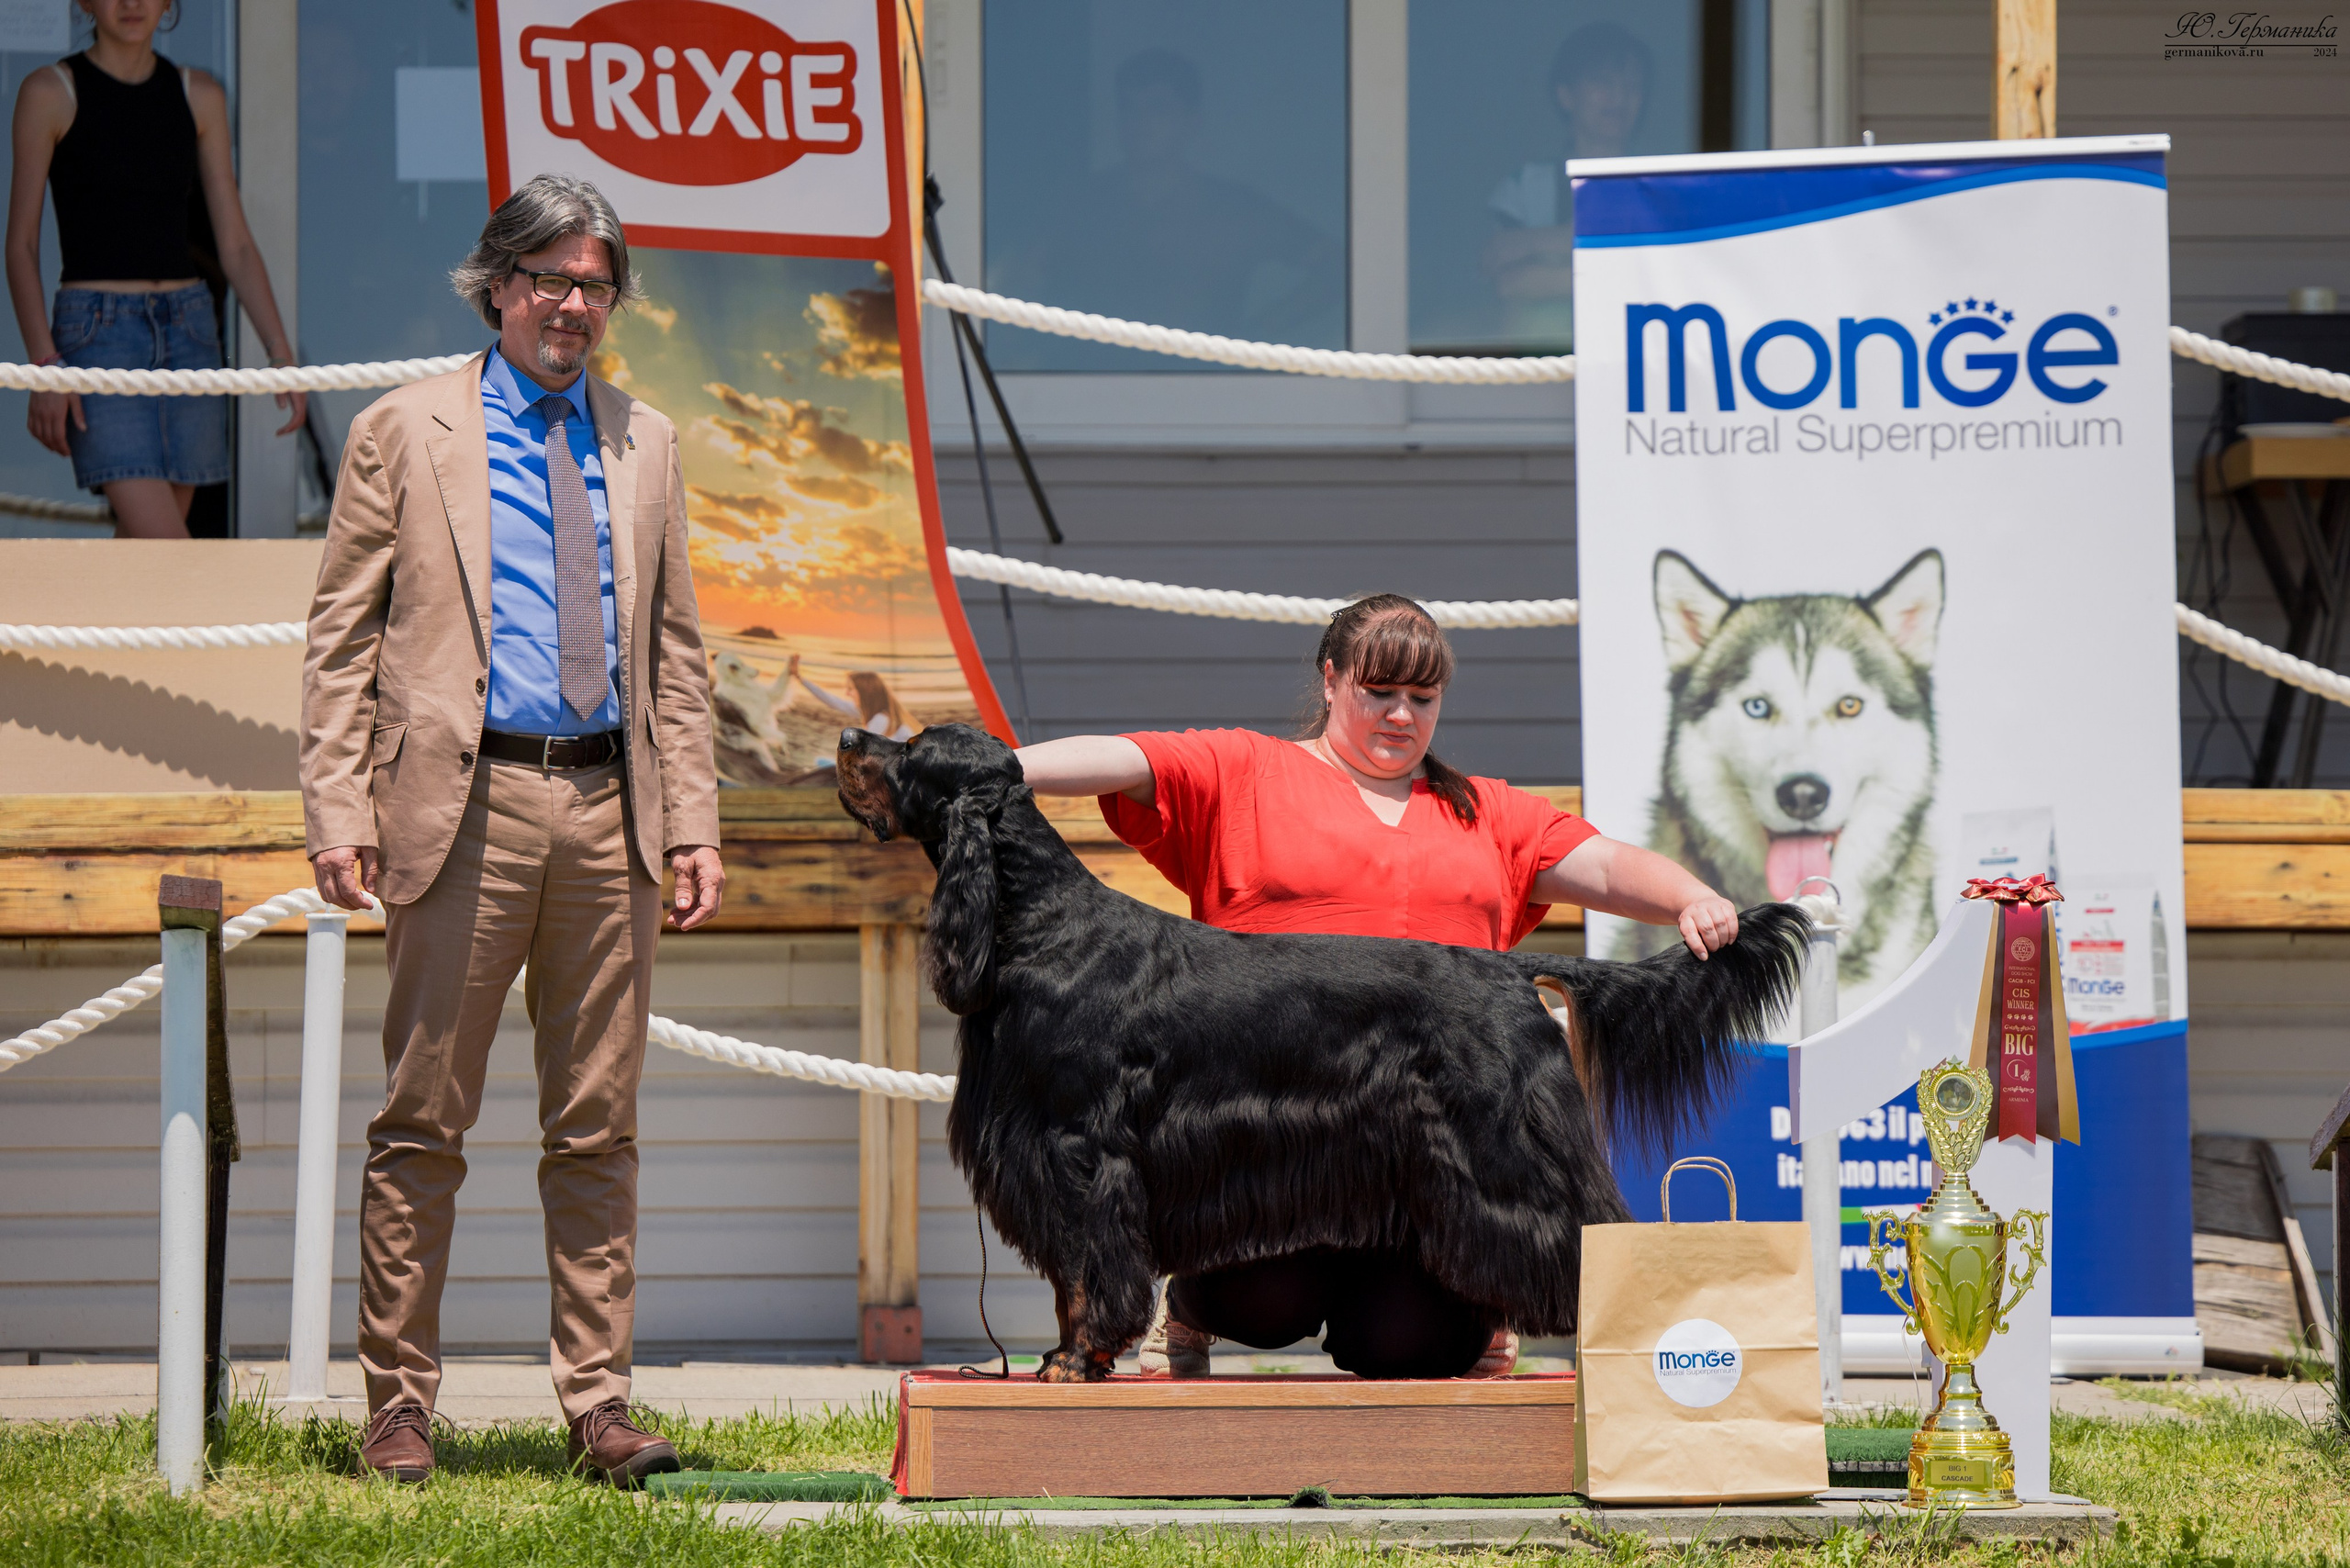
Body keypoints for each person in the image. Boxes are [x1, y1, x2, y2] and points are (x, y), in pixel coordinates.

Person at [1013, 594, 1739, 1380]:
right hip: (1266, 1139)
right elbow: (1127, 758)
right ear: (1331, 680)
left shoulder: (1485, 811)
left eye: (1422, 699)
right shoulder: (1245, 771)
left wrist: (1688, 897)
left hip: (1432, 1148)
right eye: (1378, 692)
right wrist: (1001, 768)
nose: (1401, 716)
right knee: (1260, 1306)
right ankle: (1189, 1313)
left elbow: (1598, 862)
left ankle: (1480, 1309)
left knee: (1408, 1349)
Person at [301, 174, 725, 1484]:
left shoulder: (645, 439)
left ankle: (599, 1403)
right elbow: (340, 641)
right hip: (459, 807)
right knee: (422, 1122)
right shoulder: (403, 430)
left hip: (614, 815)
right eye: (546, 279)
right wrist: (338, 804)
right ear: (497, 287)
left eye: (593, 283)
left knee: (598, 1126)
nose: (571, 304)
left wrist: (696, 820)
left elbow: (677, 655)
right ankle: (397, 1408)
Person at [6, 0, 304, 537]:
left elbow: (234, 242)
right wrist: (43, 365)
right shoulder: (48, 93)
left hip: (190, 332)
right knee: (168, 547)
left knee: (148, 562)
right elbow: (21, 244)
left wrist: (280, 353)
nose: (131, 3)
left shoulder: (201, 95)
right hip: (96, 338)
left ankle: (95, 624)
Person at [1483, 23, 1652, 351]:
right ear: (1566, 96)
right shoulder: (1525, 186)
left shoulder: (1656, 184)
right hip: (1534, 369)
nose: (1619, 97)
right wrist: (1614, 256)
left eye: (1633, 86)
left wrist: (1536, 246)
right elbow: (1507, 279)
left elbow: (1662, 275)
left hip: (1629, 366)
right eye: (1603, 83)